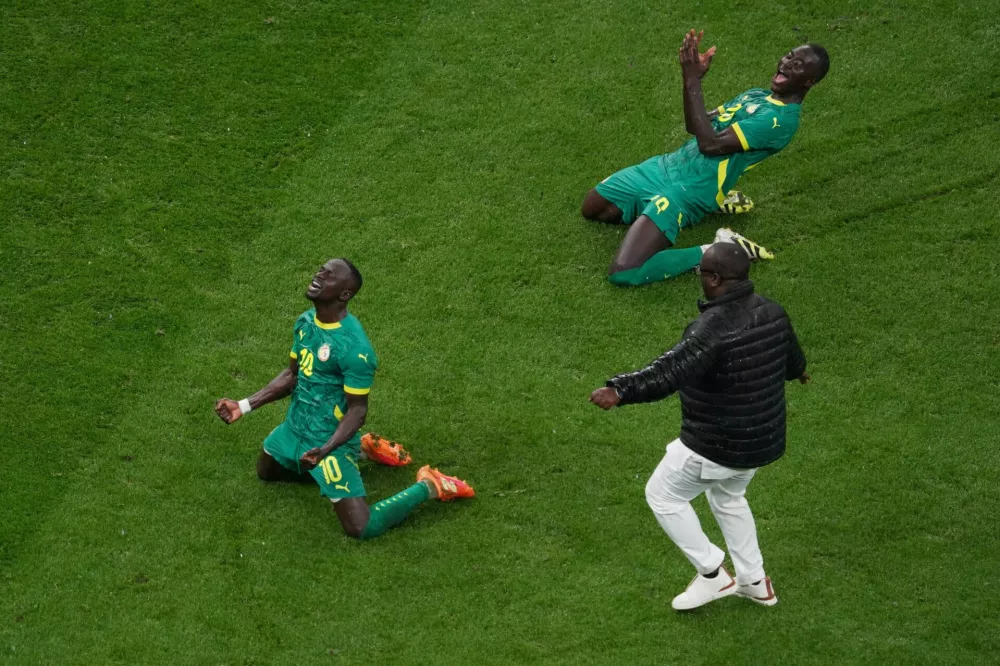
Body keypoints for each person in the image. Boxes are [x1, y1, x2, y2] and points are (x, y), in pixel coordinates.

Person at [589, 243, 810, 610]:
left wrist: (620, 390)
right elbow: (790, 356)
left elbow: (669, 371)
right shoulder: (772, 311)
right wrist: (798, 369)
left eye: (701, 273)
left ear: (714, 278)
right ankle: (754, 581)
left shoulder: (713, 329)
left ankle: (712, 575)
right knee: (728, 497)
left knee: (662, 495)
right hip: (760, 443)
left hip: (716, 445)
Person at [214, 258, 474, 540]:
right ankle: (364, 447)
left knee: (361, 527)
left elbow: (357, 411)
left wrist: (325, 450)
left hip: (328, 441)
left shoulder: (355, 349)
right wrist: (243, 406)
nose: (318, 276)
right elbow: (292, 375)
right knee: (266, 473)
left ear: (344, 294)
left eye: (328, 276)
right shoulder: (305, 322)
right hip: (294, 429)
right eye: (320, 271)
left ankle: (430, 485)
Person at [581, 30, 830, 286]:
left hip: (691, 191)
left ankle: (717, 247)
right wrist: (690, 79)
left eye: (797, 65)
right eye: (789, 56)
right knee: (593, 208)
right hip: (667, 166)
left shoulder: (779, 122)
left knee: (624, 273)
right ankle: (694, 204)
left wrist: (692, 79)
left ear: (808, 82)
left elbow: (709, 145)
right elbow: (697, 126)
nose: (787, 63)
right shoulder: (755, 95)